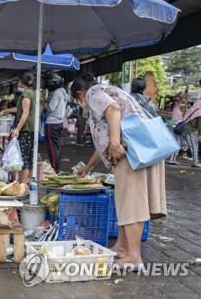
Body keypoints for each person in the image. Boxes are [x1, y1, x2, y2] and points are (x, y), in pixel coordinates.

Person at [71, 73, 166, 268]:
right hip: (136, 150)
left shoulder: (93, 93)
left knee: (132, 204)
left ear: (80, 93)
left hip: (129, 153)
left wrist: (115, 143)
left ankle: (133, 257)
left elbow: (113, 110)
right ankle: (122, 248)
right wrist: (88, 168)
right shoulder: (110, 91)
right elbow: (103, 141)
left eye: (76, 100)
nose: (80, 104)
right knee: (125, 203)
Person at [0, 71, 35, 183]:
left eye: (19, 80)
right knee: (27, 157)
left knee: (23, 158)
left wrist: (17, 129)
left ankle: (23, 185)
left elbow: (25, 112)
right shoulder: (31, 92)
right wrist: (6, 110)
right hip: (30, 129)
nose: (18, 82)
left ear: (22, 81)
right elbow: (20, 109)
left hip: (25, 130)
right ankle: (25, 185)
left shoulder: (26, 94)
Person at [44, 74, 69, 173]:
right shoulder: (64, 93)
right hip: (59, 122)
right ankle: (56, 167)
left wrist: (44, 103)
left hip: (52, 123)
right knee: (56, 147)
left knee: (52, 148)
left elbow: (51, 107)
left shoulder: (57, 93)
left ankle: (54, 168)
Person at [181, 100, 201, 168]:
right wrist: (200, 135)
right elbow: (199, 125)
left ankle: (195, 161)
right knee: (194, 146)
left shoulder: (192, 109)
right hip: (189, 131)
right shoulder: (199, 112)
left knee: (192, 145)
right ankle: (195, 163)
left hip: (186, 129)